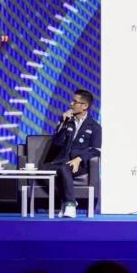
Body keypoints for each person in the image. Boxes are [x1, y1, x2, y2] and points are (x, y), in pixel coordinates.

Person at [40, 89, 101, 218]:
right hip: (61, 160)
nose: (71, 103)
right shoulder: (67, 121)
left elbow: (96, 150)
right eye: (72, 100)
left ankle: (70, 205)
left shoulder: (95, 127)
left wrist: (79, 158)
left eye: (75, 101)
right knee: (42, 170)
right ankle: (69, 200)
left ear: (85, 106)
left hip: (79, 164)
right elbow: (57, 143)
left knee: (64, 168)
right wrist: (63, 123)